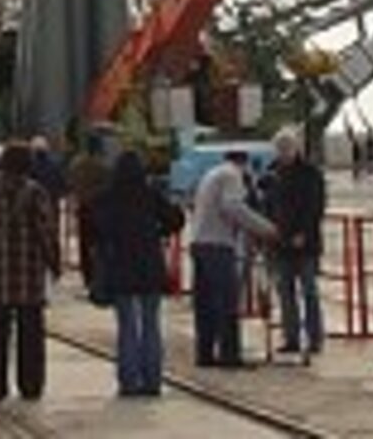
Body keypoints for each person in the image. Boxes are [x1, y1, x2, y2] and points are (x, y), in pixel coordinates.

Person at [0, 141, 61, 403]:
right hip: (29, 273)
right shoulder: (35, 191)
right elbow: (46, 233)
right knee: (31, 333)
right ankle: (30, 385)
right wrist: (54, 264)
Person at [90, 150, 185, 396]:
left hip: (120, 266)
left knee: (127, 325)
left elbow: (96, 229)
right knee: (151, 323)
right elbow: (176, 219)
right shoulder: (150, 195)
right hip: (149, 265)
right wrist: (159, 230)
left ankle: (129, 380)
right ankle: (153, 380)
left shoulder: (106, 197)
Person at [189, 148, 275, 367]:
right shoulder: (232, 176)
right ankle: (230, 355)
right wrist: (265, 228)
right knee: (227, 302)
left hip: (199, 242)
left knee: (205, 303)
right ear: (244, 163)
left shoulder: (211, 174)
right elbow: (233, 207)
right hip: (218, 244)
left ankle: (204, 353)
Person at [267, 127, 327, 355]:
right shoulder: (274, 173)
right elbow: (269, 205)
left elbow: (316, 207)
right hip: (281, 242)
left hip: (305, 244)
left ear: (295, 148)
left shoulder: (310, 173)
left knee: (309, 290)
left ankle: (315, 338)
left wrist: (304, 232)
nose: (283, 153)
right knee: (285, 292)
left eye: (286, 148)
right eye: (279, 149)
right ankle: (291, 337)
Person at [65, 134, 111, 287]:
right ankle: (98, 273)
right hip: (99, 207)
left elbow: (70, 182)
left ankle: (87, 275)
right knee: (99, 242)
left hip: (82, 205)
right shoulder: (103, 166)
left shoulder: (76, 164)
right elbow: (108, 186)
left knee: (84, 242)